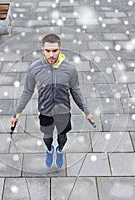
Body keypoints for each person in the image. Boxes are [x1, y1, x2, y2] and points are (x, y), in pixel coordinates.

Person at [10, 33, 94, 168]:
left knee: (62, 137)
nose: (51, 55)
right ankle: (49, 150)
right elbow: (27, 92)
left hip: (63, 112)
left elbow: (75, 91)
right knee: (47, 137)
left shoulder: (70, 69)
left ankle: (60, 151)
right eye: (47, 51)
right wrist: (16, 114)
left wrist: (86, 112)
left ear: (60, 50)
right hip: (45, 112)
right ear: (42, 50)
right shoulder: (34, 69)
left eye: (54, 51)